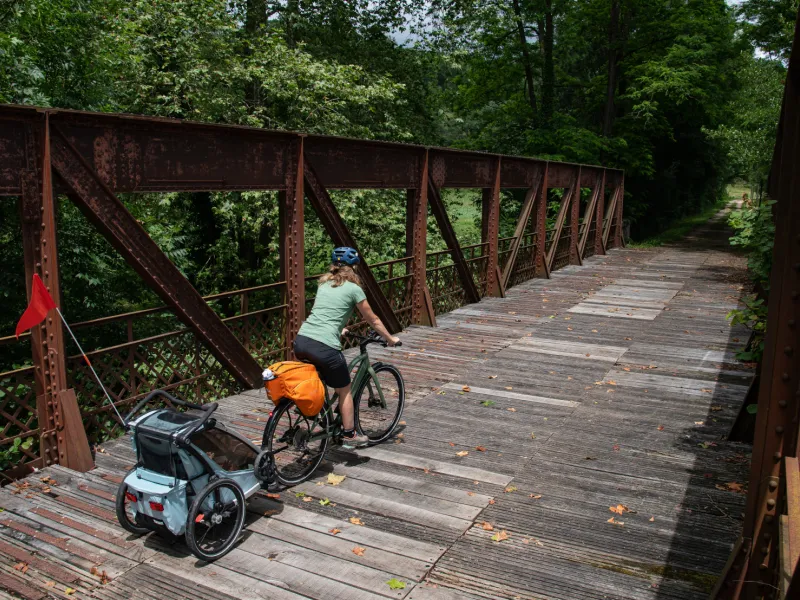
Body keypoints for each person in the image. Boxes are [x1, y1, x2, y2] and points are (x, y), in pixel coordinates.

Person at [294, 247, 400, 449]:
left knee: (319, 381)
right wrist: (390, 339)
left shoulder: (324, 283)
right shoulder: (354, 289)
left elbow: (324, 312)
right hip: (325, 346)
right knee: (344, 390)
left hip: (302, 340)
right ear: (353, 268)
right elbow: (373, 319)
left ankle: (314, 416)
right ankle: (350, 435)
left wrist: (339, 328)